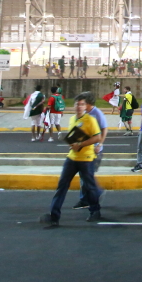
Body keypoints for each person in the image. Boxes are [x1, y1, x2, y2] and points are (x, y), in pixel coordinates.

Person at [39, 95, 103, 228]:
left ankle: (95, 210)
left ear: (85, 106)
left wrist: (81, 144)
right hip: (72, 157)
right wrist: (72, 144)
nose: (79, 107)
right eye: (77, 104)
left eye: (82, 104)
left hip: (86, 159)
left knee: (90, 186)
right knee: (62, 186)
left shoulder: (90, 120)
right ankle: (54, 216)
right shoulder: (72, 119)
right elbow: (74, 137)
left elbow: (97, 137)